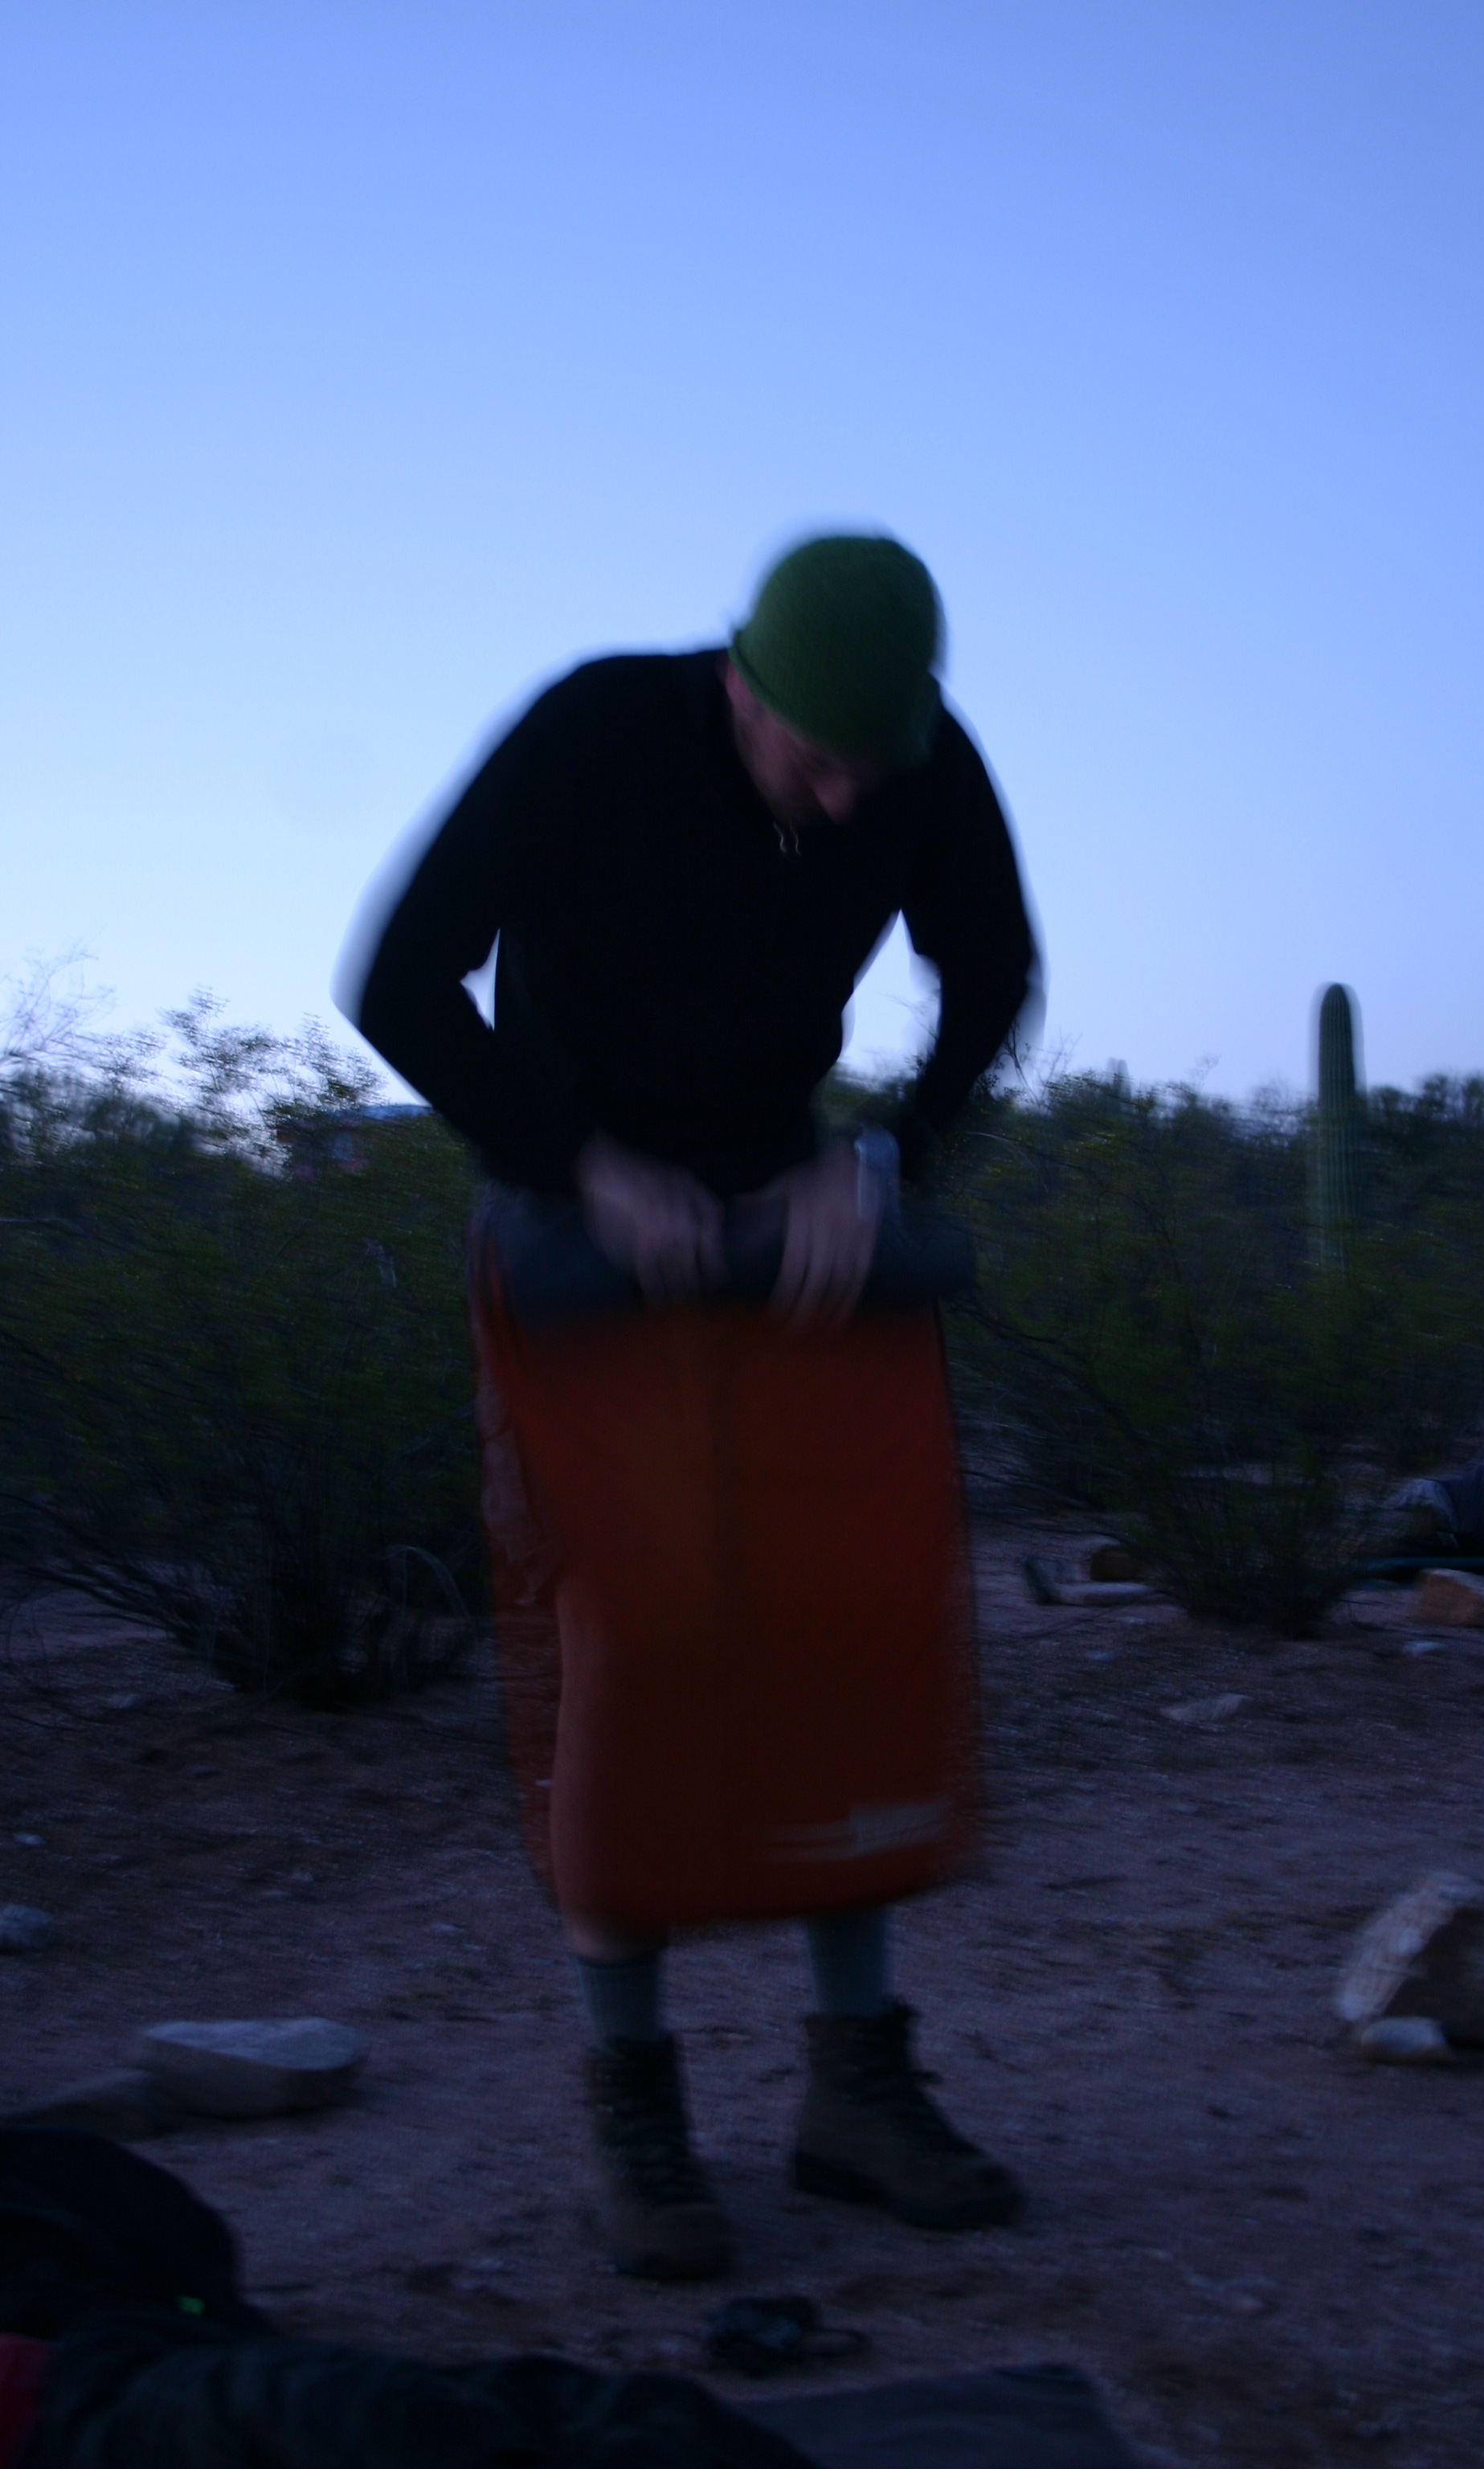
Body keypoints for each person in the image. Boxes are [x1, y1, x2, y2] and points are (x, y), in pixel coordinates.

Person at [345, 533, 1039, 2281]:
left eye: (875, 764)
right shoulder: (595, 734)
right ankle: (635, 2108)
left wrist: (881, 1161)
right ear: (741, 683)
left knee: (849, 1622)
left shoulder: (916, 762)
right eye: (816, 754)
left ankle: (856, 2090)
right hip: (576, 1222)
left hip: (788, 1212)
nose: (847, 794)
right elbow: (398, 979)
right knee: (636, 1644)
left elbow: (994, 973)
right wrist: (578, 1162)